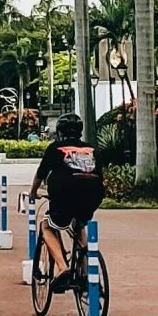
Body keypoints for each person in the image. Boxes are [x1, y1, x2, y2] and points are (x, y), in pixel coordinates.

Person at [29, 115, 104, 291]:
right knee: (80, 225)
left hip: (65, 192)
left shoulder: (55, 148)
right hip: (93, 193)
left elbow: (40, 175)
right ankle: (87, 272)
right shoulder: (92, 149)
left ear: (60, 133)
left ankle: (62, 268)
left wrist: (33, 193)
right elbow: (100, 176)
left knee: (47, 226)